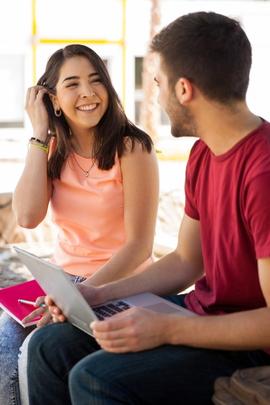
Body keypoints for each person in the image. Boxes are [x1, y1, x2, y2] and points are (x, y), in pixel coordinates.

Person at [26, 11, 270, 405]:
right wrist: (96, 295)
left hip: (245, 343)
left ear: (184, 89)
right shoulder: (204, 155)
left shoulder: (263, 173)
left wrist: (166, 330)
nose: (155, 95)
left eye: (158, 83)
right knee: (49, 346)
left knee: (96, 379)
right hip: (201, 312)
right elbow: (186, 262)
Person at [0, 44, 159, 405]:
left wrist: (81, 295)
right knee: (7, 341)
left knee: (43, 347)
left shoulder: (132, 148)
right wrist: (39, 134)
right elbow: (26, 216)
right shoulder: (52, 148)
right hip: (62, 284)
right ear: (53, 100)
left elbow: (139, 248)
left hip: (120, 287)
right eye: (72, 84)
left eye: (95, 80)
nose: (87, 93)